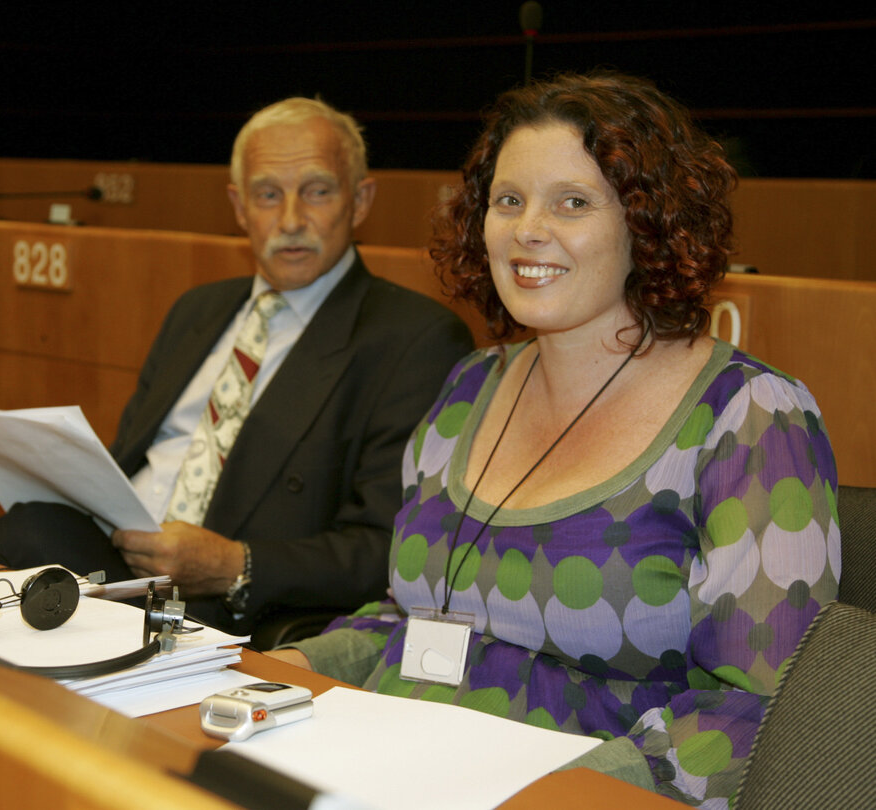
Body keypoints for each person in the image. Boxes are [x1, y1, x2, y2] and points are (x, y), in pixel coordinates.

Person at [270, 72, 839, 806]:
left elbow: (754, 716)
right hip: (380, 766)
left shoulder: (751, 415)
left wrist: (531, 797)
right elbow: (405, 622)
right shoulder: (468, 388)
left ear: (646, 222)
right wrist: (270, 672)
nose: (527, 228)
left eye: (571, 202)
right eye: (508, 201)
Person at [0, 97, 475, 637]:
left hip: (222, 612)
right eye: (268, 195)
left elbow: (386, 547)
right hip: (108, 565)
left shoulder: (415, 340)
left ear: (360, 201)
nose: (291, 220)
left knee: (19, 556)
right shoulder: (197, 311)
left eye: (317, 191)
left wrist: (235, 566)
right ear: (240, 206)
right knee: (23, 535)